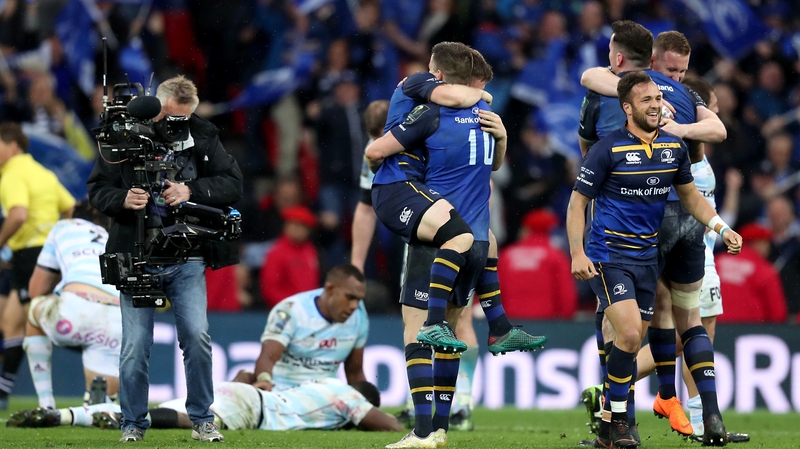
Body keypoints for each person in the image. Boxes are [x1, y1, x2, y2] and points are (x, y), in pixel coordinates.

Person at [566, 71, 742, 448]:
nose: (656, 105)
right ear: (627, 108)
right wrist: (578, 252)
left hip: (647, 258)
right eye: (646, 100)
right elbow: (577, 202)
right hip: (608, 255)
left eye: (658, 100)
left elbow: (692, 197)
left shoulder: (673, 148)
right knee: (629, 333)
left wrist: (720, 227)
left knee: (632, 342)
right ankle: (619, 425)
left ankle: (608, 423)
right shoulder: (607, 149)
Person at [87, 75, 243, 443]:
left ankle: (203, 420)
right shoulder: (121, 138)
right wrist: (123, 200)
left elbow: (233, 183)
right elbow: (96, 189)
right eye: (170, 118)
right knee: (135, 347)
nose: (177, 126)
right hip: (136, 254)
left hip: (186, 253)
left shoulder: (203, 134)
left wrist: (192, 189)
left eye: (184, 119)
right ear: (154, 108)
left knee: (197, 336)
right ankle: (132, 424)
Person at [7, 378, 405, 432]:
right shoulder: (350, 396)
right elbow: (385, 425)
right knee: (188, 421)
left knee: (168, 408)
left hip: (242, 391)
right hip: (253, 407)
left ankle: (64, 414)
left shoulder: (321, 385)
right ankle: (129, 419)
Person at [0, 122, 75, 410]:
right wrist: (59, 240)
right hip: (44, 253)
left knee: (31, 323)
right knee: (11, 322)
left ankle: (35, 397)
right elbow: (70, 207)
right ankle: (4, 390)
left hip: (31, 255)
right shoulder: (43, 173)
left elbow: (18, 214)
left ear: (12, 147)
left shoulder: (12, 174)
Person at [23, 202, 121, 409]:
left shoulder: (63, 227)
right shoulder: (114, 238)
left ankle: (46, 403)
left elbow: (36, 289)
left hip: (74, 311)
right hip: (115, 318)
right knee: (102, 403)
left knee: (35, 307)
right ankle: (101, 401)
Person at [243, 264, 368, 391]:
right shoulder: (290, 311)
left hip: (324, 399)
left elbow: (354, 372)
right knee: (243, 378)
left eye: (358, 300)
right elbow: (267, 357)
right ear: (330, 289)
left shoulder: (359, 317)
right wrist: (265, 380)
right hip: (282, 396)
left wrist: (364, 404)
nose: (354, 306)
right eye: (350, 297)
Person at [497, 209, 578, 319]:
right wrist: (565, 320)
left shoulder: (507, 255)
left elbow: (496, 289)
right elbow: (566, 295)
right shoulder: (556, 256)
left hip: (511, 322)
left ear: (526, 229)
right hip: (546, 323)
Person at [717, 223, 787, 323]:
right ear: (759, 243)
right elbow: (778, 314)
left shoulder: (717, 261)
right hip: (749, 331)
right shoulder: (764, 270)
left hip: (712, 327)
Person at [259, 205, 320, 308]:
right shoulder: (277, 252)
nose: (296, 229)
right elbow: (270, 289)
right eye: (293, 224)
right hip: (286, 310)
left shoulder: (310, 250)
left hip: (308, 308)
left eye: (301, 226)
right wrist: (290, 306)